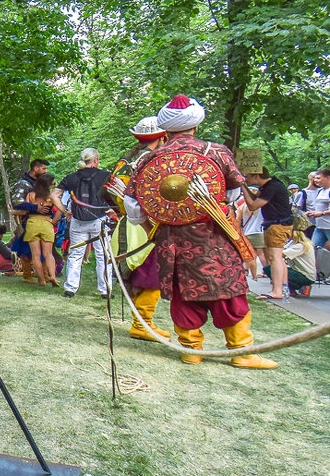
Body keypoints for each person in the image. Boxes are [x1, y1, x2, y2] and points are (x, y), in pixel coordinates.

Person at [123, 94, 275, 369]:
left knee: (184, 292)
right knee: (227, 290)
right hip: (214, 235)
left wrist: (154, 228)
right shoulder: (217, 152)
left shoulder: (152, 157)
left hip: (172, 238)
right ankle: (242, 351)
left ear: (165, 129)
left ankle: (191, 349)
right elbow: (229, 194)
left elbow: (133, 206)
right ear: (195, 125)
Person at [107, 116, 171, 341]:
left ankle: (144, 323)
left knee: (141, 276)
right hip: (145, 226)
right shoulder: (157, 161)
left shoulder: (127, 161)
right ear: (163, 136)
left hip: (127, 224)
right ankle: (142, 324)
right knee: (151, 275)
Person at [52, 148, 115, 299]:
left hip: (77, 221)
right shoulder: (105, 176)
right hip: (99, 219)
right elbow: (119, 193)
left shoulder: (71, 177)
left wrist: (64, 210)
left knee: (75, 255)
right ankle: (105, 290)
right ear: (95, 160)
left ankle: (70, 288)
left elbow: (54, 195)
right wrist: (114, 210)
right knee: (103, 255)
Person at [243, 167, 293, 299]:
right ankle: (284, 288)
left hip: (277, 225)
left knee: (274, 257)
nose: (245, 178)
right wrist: (243, 186)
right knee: (278, 258)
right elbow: (255, 198)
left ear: (256, 176)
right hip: (280, 224)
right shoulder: (270, 186)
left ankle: (277, 291)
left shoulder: (271, 187)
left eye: (247, 176)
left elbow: (253, 205)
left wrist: (242, 187)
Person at [9, 159, 51, 282]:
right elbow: (17, 202)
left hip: (43, 222)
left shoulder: (40, 182)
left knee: (44, 249)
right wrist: (35, 208)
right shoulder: (23, 184)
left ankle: (45, 276)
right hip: (28, 221)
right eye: (44, 168)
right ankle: (28, 275)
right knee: (27, 249)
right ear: (36, 169)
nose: (45, 171)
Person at [21, 173, 59, 287]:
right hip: (47, 223)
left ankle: (41, 280)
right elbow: (61, 209)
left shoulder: (30, 195)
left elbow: (25, 209)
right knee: (48, 254)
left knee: (36, 255)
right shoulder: (51, 196)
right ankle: (52, 276)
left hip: (33, 223)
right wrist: (54, 221)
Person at [306, 168, 330, 250]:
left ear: (328, 178)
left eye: (318, 178)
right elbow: (320, 208)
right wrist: (312, 213)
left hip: (328, 226)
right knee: (313, 249)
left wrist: (322, 214)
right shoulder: (320, 191)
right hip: (319, 227)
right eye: (315, 178)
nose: (315, 180)